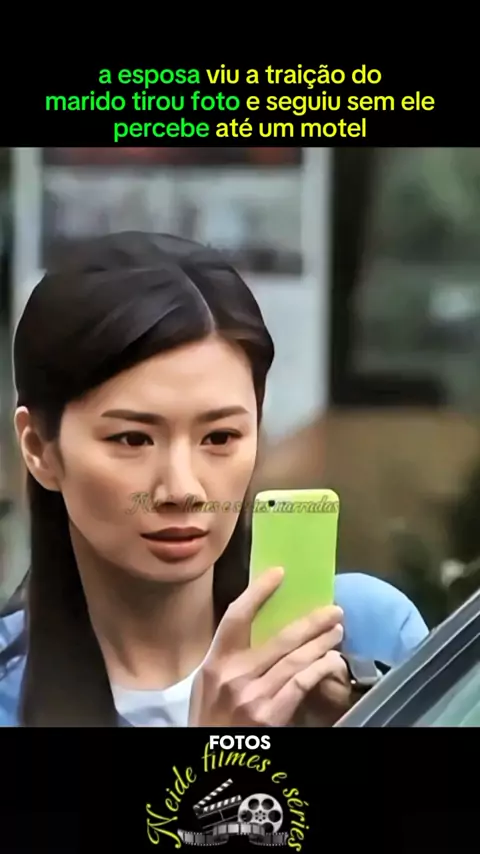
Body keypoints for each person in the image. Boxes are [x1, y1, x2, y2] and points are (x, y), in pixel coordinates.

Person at [0, 232, 428, 727]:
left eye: (220, 437)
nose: (183, 490)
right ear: (39, 447)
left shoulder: (366, 632)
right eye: (133, 439)